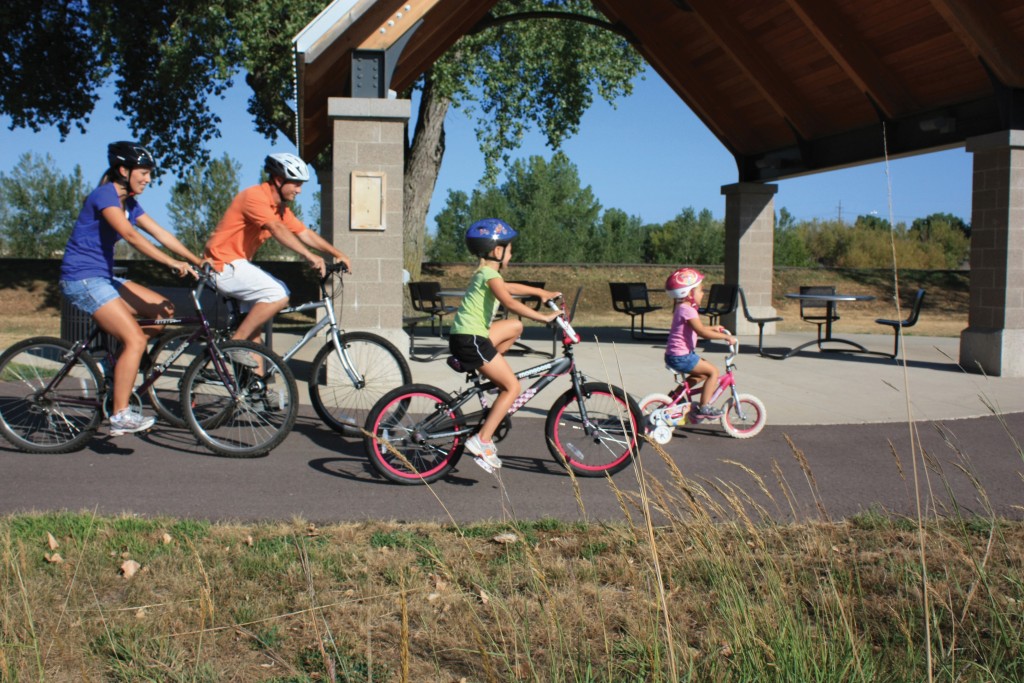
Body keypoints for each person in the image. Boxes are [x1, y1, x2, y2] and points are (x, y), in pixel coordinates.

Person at [60, 141, 205, 436]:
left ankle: (119, 369)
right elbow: (130, 235)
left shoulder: (130, 204)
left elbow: (159, 232)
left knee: (163, 310)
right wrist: (169, 263)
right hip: (82, 279)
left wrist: (197, 259)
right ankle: (120, 414)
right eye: (143, 172)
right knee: (136, 339)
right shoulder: (105, 195)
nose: (148, 179)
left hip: (103, 277)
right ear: (123, 170)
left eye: (150, 173)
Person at [203, 152, 352, 358]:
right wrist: (310, 256)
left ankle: (256, 388)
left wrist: (338, 254)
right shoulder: (254, 197)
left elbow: (304, 233)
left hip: (237, 265)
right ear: (279, 180)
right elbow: (276, 229)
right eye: (296, 184)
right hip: (222, 264)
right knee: (278, 294)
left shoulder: (279, 210)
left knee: (255, 337)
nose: (299, 190)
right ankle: (233, 345)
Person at [447, 218, 561, 471]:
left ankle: (486, 368)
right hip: (471, 340)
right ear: (498, 251)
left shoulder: (487, 274)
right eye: (510, 249)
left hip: (470, 337)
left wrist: (540, 293)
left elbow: (511, 287)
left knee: (515, 327)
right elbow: (509, 301)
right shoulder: (489, 275)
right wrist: (543, 317)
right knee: (512, 387)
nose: (512, 253)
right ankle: (481, 440)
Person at [663, 267, 738, 419]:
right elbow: (701, 332)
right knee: (713, 372)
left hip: (677, 355)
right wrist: (726, 338)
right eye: (700, 290)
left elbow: (698, 328)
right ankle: (704, 407)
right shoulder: (688, 310)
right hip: (681, 357)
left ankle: (676, 397)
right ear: (689, 293)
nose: (703, 294)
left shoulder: (682, 307)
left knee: (702, 375)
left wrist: (714, 328)